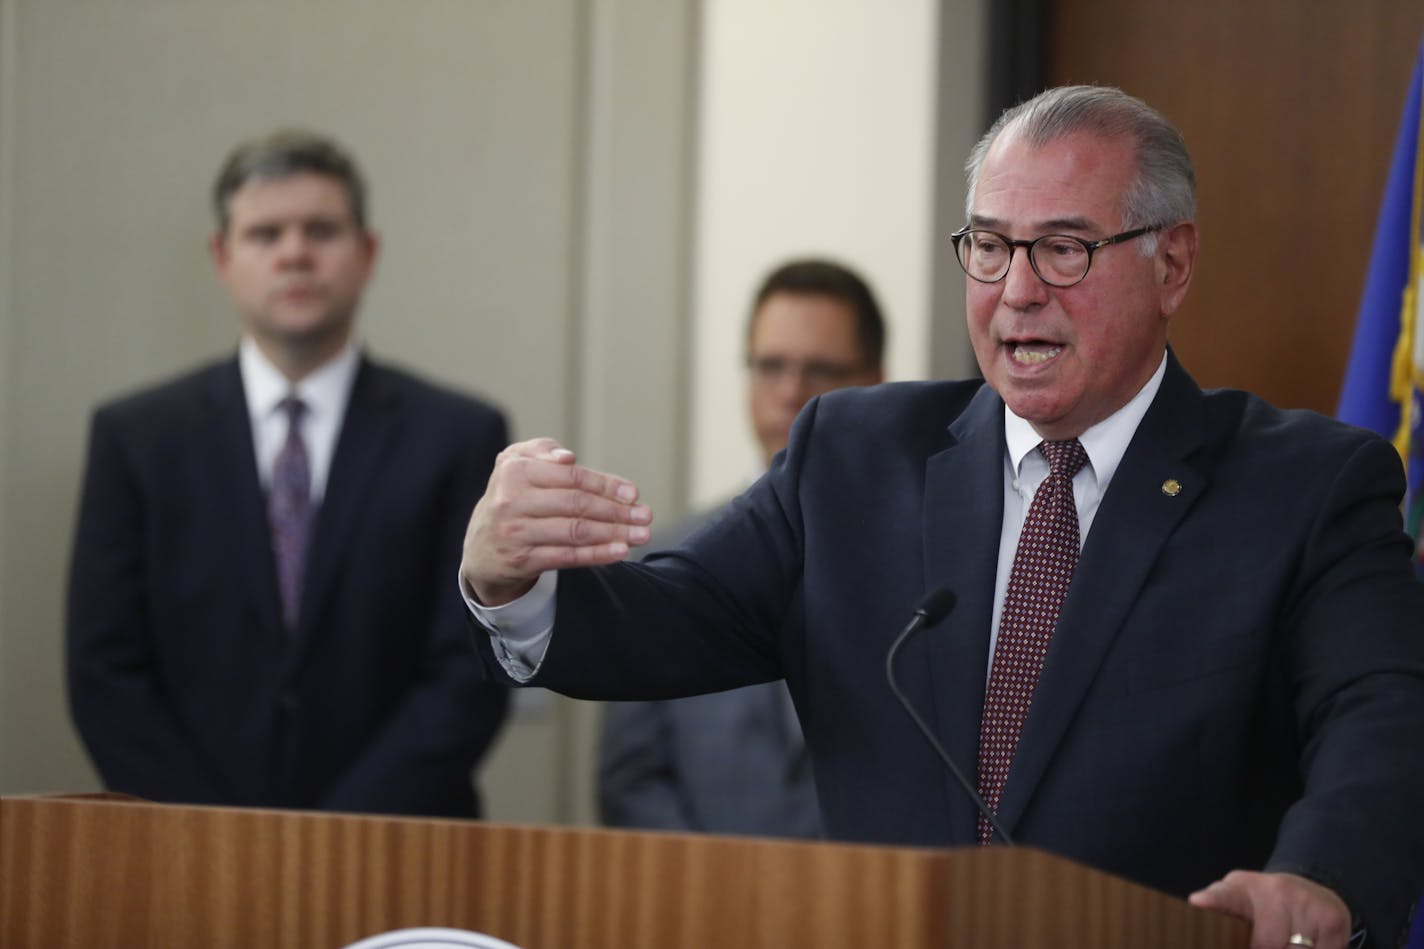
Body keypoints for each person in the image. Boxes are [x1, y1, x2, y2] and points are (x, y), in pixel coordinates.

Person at [458, 86, 1424, 947]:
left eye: (1063, 248)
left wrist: (1320, 880)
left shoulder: (1306, 486)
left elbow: (1380, 712)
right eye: (992, 247)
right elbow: (663, 621)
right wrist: (511, 578)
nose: (1017, 292)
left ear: (1172, 264)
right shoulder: (852, 453)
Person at [68, 129, 510, 818]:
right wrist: (217, 834)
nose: (295, 252)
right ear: (222, 256)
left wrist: (328, 840)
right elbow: (104, 671)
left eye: (322, 230)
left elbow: (470, 665)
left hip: (399, 846)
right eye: (265, 233)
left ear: (367, 253)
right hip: (186, 855)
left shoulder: (458, 436)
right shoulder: (136, 438)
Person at [598, 259, 885, 836]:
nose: (789, 393)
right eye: (770, 367)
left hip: (869, 906)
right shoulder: (670, 554)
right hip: (698, 904)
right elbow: (630, 779)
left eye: (820, 370)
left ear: (875, 383)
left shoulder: (925, 558)